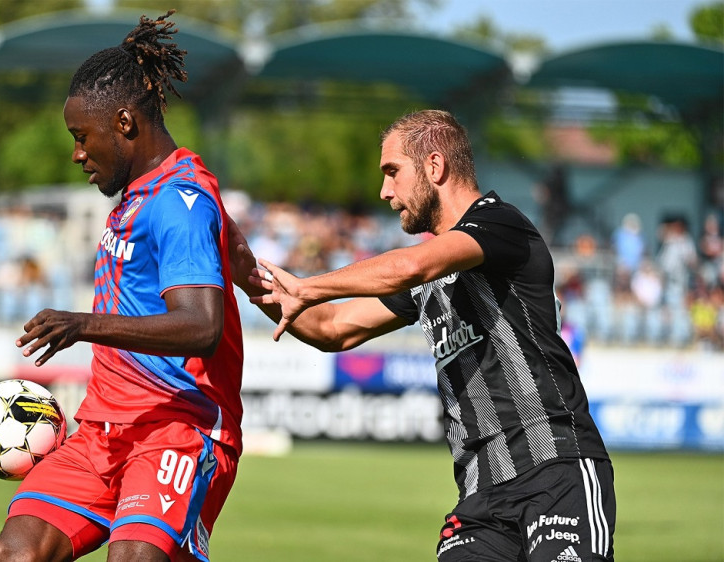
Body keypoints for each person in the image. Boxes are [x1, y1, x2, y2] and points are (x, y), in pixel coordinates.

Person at [230, 110, 615, 561]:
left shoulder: (500, 224)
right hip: (480, 498)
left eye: (392, 172)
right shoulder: (428, 274)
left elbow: (410, 266)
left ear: (434, 167)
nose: (384, 192)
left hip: (555, 472)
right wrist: (248, 276)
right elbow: (333, 328)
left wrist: (308, 286)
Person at [0, 12, 243, 562]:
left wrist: (82, 325)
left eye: (82, 138)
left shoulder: (181, 202)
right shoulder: (137, 192)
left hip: (180, 428)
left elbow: (202, 326)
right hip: (103, 432)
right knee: (17, 553)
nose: (77, 154)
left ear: (125, 123)